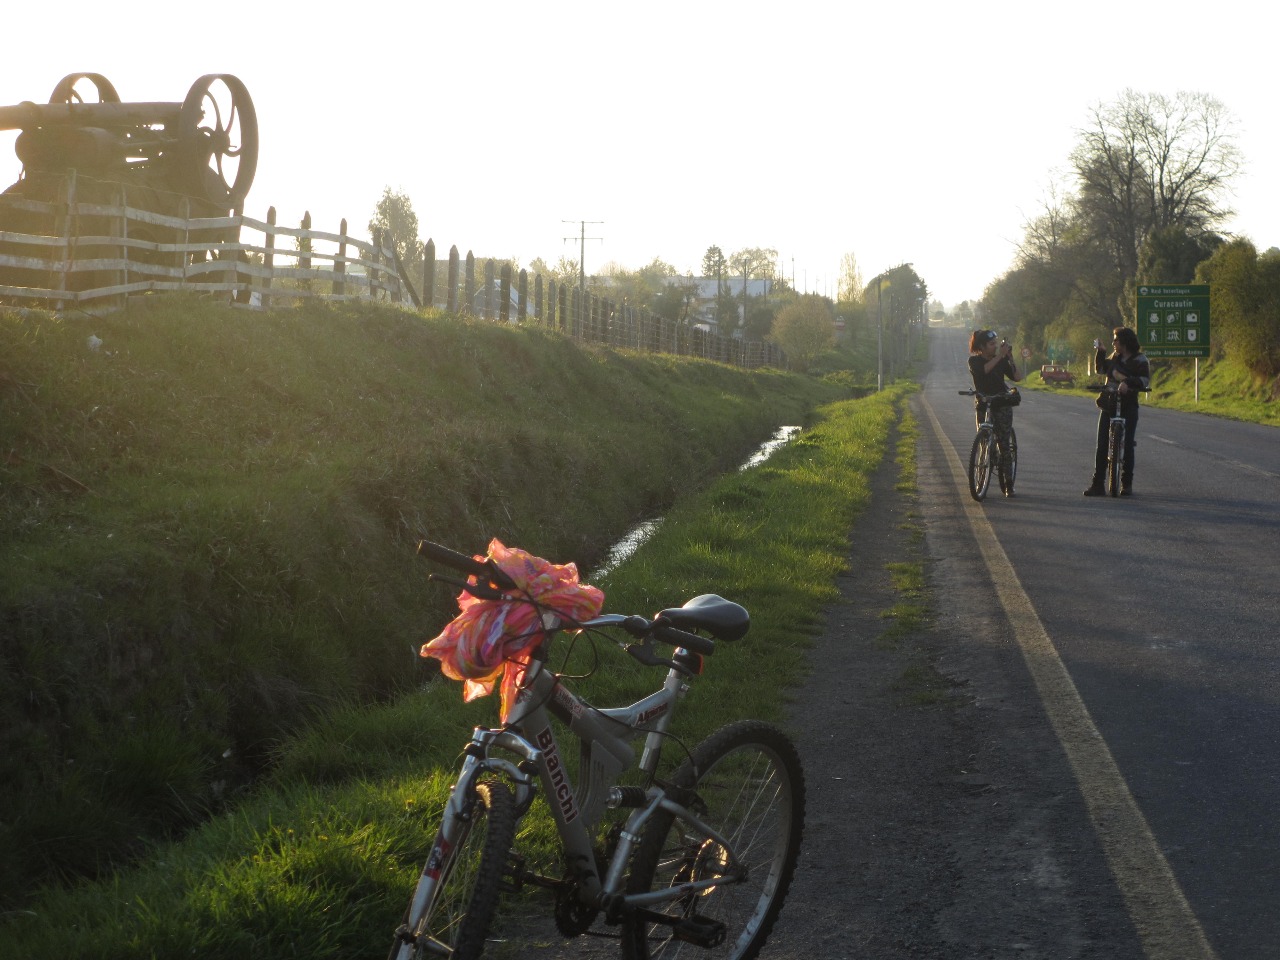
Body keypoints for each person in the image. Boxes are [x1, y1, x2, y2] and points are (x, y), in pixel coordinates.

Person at [1083, 325, 1151, 497]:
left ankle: (1126, 484)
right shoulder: (1114, 357)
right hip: (1109, 404)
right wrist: (1101, 352)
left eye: (1116, 340)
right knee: (1102, 444)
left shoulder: (1140, 360)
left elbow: (1144, 380)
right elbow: (1101, 369)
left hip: (1129, 405)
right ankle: (1097, 484)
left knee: (1128, 444)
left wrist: (1127, 382)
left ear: (1125, 342)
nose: (1113, 343)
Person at [967, 329, 1022, 497]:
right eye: (991, 344)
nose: (995, 346)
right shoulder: (974, 361)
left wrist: (1010, 358)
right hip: (984, 403)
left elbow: (1017, 377)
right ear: (982, 346)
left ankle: (1008, 484)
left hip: (1001, 403)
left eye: (996, 344)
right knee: (983, 440)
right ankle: (981, 476)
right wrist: (1000, 356)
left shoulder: (1001, 360)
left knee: (1004, 445)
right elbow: (984, 371)